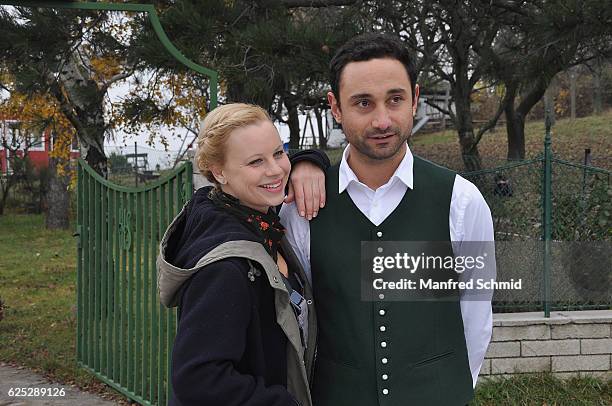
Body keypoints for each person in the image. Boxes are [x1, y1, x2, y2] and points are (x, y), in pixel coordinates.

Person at [280, 33, 494, 405]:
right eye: (363, 103)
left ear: (414, 99)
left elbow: (476, 314)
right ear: (335, 107)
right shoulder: (302, 209)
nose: (382, 120)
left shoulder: (460, 201)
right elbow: (299, 319)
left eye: (395, 99)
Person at [157, 103, 317, 406]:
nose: (276, 169)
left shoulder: (258, 221)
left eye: (279, 153)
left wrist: (311, 162)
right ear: (219, 172)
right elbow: (197, 378)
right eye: (256, 162)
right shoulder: (226, 267)